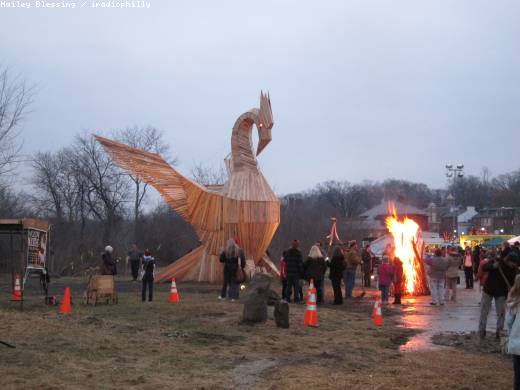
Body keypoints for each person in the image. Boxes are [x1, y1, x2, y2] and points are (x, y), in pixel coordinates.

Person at [479, 247, 517, 339]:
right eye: (513, 262)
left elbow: (513, 283)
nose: (514, 264)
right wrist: (492, 266)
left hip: (501, 293)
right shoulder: (497, 262)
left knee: (501, 313)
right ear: (508, 260)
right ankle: (481, 331)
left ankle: (499, 333)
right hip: (488, 290)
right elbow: (484, 267)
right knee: (484, 311)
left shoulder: (513, 269)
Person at [505, 275, 520, 390]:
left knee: (518, 376)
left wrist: (510, 337)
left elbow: (509, 322)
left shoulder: (514, 304)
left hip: (517, 344)